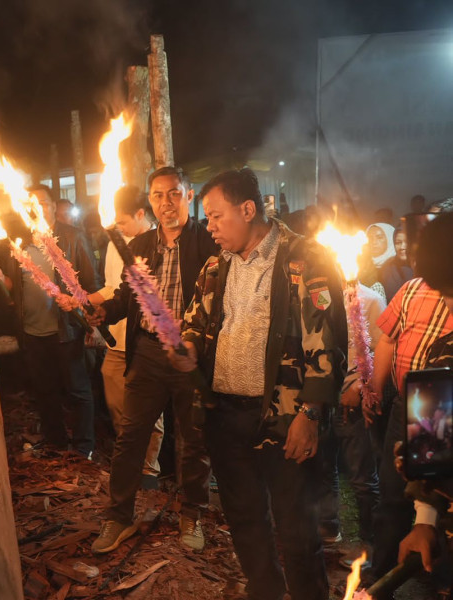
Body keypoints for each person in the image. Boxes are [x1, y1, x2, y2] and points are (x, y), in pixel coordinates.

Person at [170, 168, 347, 600]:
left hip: (284, 418)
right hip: (226, 417)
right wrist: (187, 347)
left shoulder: (305, 261)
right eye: (206, 218)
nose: (208, 227)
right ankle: (264, 591)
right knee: (246, 521)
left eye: (215, 216)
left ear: (248, 209)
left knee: (296, 529)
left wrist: (309, 415)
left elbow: (327, 344)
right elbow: (196, 322)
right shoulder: (216, 266)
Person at [88, 167, 218, 553]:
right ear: (150, 200)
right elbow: (128, 295)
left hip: (190, 355)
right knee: (131, 436)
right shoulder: (140, 244)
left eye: (174, 194)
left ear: (189, 195)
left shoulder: (208, 242)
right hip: (146, 352)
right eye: (158, 195)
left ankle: (191, 512)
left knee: (194, 439)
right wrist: (105, 312)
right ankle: (118, 517)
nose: (166, 203)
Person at [0, 184, 103, 458]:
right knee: (45, 390)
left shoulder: (72, 237)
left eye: (42, 202)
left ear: (53, 206)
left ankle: (84, 446)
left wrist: (92, 318)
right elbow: (16, 286)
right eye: (30, 204)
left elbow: (91, 281)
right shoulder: (20, 241)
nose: (36, 208)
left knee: (77, 389)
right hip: (32, 330)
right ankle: (56, 441)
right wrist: (1, 278)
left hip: (67, 329)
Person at [370, 212, 453, 580]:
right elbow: (432, 450)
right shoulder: (443, 359)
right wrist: (425, 519)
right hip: (406, 411)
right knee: (391, 497)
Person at [87, 185, 165, 491]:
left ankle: (149, 471)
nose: (117, 228)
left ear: (141, 214)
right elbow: (113, 289)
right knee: (118, 404)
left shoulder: (156, 246)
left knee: (149, 409)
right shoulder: (114, 245)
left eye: (122, 222)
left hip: (145, 342)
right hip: (116, 342)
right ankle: (128, 458)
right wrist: (88, 301)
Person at [318, 281, 384, 566]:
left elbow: (381, 351)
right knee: (322, 466)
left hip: (353, 403)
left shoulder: (370, 299)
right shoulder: (320, 295)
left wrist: (359, 387)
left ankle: (372, 546)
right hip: (323, 399)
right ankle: (328, 527)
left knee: (362, 478)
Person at [379, 228, 413, 301]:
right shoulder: (387, 268)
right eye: (398, 243)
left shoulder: (423, 268)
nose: (402, 247)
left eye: (407, 242)